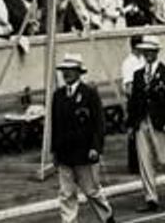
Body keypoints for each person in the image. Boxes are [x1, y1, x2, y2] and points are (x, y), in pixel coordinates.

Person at [51, 54, 114, 223]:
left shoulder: (89, 94)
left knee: (92, 191)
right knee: (66, 193)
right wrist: (54, 150)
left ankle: (107, 217)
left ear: (79, 72)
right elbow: (55, 125)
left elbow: (98, 123)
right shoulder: (58, 95)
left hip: (85, 152)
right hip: (64, 153)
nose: (66, 74)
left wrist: (96, 147)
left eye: (71, 70)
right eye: (64, 70)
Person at [128, 40, 165, 212]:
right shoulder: (138, 74)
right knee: (144, 161)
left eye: (151, 51)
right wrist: (131, 124)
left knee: (164, 160)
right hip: (142, 121)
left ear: (157, 52)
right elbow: (134, 101)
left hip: (160, 122)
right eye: (145, 51)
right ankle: (151, 198)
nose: (147, 54)